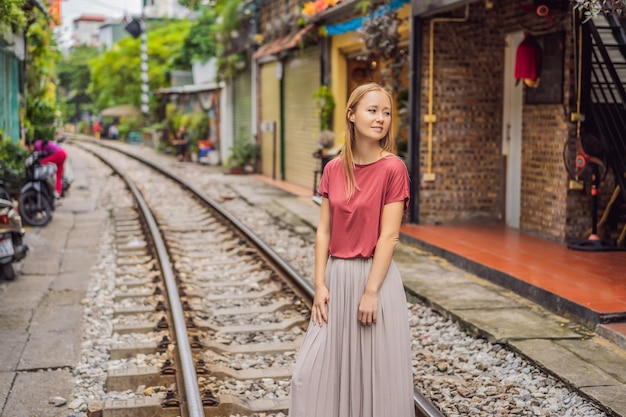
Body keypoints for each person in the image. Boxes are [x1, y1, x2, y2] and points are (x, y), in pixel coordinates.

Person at [289, 82, 415, 417]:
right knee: (307, 378)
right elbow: (324, 231)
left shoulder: (393, 169)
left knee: (375, 380)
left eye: (386, 113)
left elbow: (389, 236)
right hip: (336, 277)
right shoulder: (333, 168)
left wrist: (371, 290)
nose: (380, 119)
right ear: (352, 114)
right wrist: (319, 284)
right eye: (372, 111)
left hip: (375, 280)